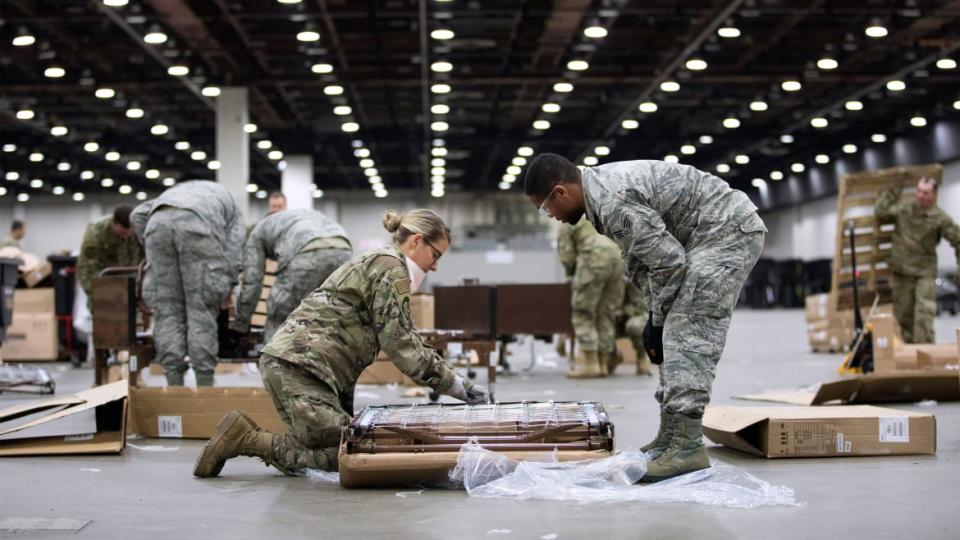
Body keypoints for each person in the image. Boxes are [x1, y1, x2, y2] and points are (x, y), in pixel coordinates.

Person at [194, 209, 488, 478]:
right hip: (300, 368)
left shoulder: (382, 262)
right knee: (354, 452)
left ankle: (256, 438)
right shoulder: (391, 268)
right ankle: (245, 439)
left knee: (338, 445)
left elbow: (392, 337)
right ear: (416, 241)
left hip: (304, 367)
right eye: (435, 255)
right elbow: (400, 343)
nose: (435, 266)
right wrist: (458, 386)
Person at [524, 154, 765, 482]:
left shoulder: (611, 201)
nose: (550, 216)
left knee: (686, 327)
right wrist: (655, 317)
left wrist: (659, 320)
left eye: (545, 208)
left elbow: (669, 264)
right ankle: (671, 436)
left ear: (561, 192)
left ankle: (687, 445)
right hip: (701, 237)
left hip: (726, 232)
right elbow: (644, 265)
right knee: (669, 330)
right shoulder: (600, 199)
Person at [131, 180, 245, 387]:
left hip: (157, 226)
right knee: (200, 310)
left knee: (167, 311)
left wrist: (150, 251)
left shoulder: (174, 194)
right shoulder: (232, 208)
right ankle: (204, 386)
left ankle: (173, 383)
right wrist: (227, 282)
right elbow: (235, 250)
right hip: (198, 228)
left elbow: (137, 215)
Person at [232, 209, 353, 340]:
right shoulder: (289, 217)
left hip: (306, 252)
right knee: (327, 317)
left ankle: (274, 360)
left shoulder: (255, 235)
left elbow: (252, 283)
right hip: (343, 249)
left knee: (279, 316)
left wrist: (241, 325)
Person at [875, 177, 960, 343]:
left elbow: (958, 240)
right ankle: (907, 355)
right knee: (902, 315)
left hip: (924, 272)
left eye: (926, 193)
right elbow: (881, 211)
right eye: (919, 191)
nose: (921, 195)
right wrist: (895, 190)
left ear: (934, 195)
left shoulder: (939, 218)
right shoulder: (904, 209)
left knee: (924, 313)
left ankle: (924, 353)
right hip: (901, 272)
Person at [557, 216, 625, 377]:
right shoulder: (596, 209)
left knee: (583, 311)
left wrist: (573, 273)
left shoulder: (568, 217)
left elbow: (566, 254)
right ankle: (603, 362)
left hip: (592, 256)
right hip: (617, 256)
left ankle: (590, 362)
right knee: (606, 312)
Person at [76, 206, 144, 306]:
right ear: (113, 222)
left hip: (128, 283)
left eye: (129, 232)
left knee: (134, 317)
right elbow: (87, 269)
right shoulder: (95, 233)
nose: (127, 236)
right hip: (103, 282)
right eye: (123, 233)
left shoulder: (135, 229)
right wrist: (98, 293)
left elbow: (141, 259)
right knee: (105, 315)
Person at [620, 281, 654, 376]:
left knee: (635, 326)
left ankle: (642, 356)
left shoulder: (636, 276)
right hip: (612, 315)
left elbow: (640, 307)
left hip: (634, 314)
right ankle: (611, 357)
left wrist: (624, 311)